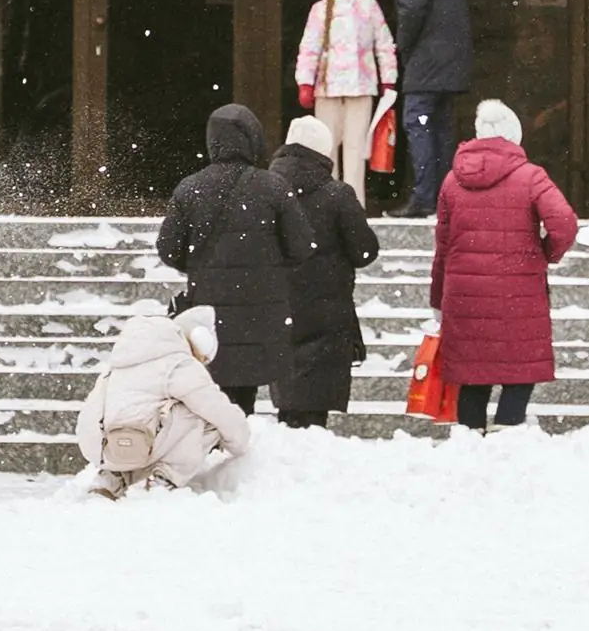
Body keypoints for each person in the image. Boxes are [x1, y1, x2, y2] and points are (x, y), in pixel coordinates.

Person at [428, 100, 579, 432]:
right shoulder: (530, 176)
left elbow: (443, 246)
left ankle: (470, 439)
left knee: (472, 375)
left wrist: (438, 298)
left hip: (465, 294)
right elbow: (564, 223)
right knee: (520, 369)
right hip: (518, 291)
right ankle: (508, 431)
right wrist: (545, 254)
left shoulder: (453, 181)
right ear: (514, 137)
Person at [157, 104, 315, 416]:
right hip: (261, 310)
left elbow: (168, 249)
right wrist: (269, 266)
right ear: (253, 140)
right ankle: (240, 445)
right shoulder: (273, 187)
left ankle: (213, 447)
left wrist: (201, 267)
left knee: (212, 390)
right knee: (245, 393)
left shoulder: (189, 189)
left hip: (208, 311)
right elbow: (302, 246)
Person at [269, 115, 381, 428]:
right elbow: (365, 251)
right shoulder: (336, 194)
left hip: (278, 303)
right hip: (325, 306)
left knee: (288, 395)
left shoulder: (265, 191)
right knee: (315, 399)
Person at [76, 306, 251, 497]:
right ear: (199, 340)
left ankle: (111, 477)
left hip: (108, 446)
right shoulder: (179, 363)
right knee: (207, 417)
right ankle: (166, 478)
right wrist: (240, 444)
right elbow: (218, 410)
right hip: (142, 442)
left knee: (135, 415)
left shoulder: (119, 362)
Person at [379, 0, 472, 218]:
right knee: (442, 126)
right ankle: (446, 196)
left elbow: (412, 6)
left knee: (416, 121)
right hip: (452, 53)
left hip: (427, 55)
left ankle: (423, 197)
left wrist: (402, 44)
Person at [294, 0, 398, 201]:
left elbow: (384, 43)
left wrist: (388, 79)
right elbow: (309, 48)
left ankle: (354, 204)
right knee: (326, 147)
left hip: (361, 87)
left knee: (356, 148)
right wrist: (305, 82)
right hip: (327, 89)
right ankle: (328, 203)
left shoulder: (368, 6)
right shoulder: (319, 10)